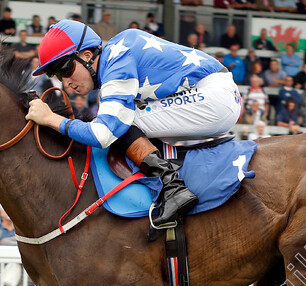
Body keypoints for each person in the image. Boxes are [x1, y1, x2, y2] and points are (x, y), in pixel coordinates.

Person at [27, 20, 241, 230]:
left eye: (65, 70)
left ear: (87, 55)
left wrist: (51, 119)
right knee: (121, 118)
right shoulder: (114, 57)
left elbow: (103, 134)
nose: (66, 83)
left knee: (120, 123)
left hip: (214, 97)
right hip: (214, 94)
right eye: (56, 75)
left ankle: (173, 187)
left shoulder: (116, 59)